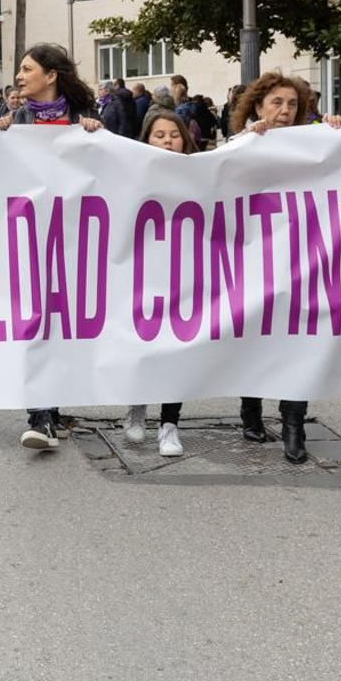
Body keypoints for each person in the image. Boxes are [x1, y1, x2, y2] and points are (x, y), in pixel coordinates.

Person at [228, 71, 341, 463]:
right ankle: (251, 409)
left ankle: (293, 425)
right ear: (258, 106)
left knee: (301, 340)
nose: (284, 111)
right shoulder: (241, 143)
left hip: (303, 258)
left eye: (292, 104)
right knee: (258, 337)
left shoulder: (313, 142)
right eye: (276, 102)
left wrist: (335, 129)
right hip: (255, 257)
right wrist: (247, 141)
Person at [0, 43, 102, 452]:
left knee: (64, 320)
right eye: (19, 70)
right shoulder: (12, 121)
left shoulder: (85, 119)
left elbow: (113, 169)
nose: (19, 76)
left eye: (26, 69)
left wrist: (96, 137)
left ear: (51, 75)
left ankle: (52, 408)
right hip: (30, 234)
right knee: (35, 317)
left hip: (75, 236)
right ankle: (40, 415)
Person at [121, 109, 203, 457]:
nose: (167, 140)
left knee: (178, 350)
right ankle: (137, 406)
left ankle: (170, 424)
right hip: (143, 273)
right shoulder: (132, 172)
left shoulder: (203, 172)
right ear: (146, 139)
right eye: (159, 135)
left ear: (184, 139)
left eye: (173, 134)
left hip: (186, 273)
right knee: (143, 343)